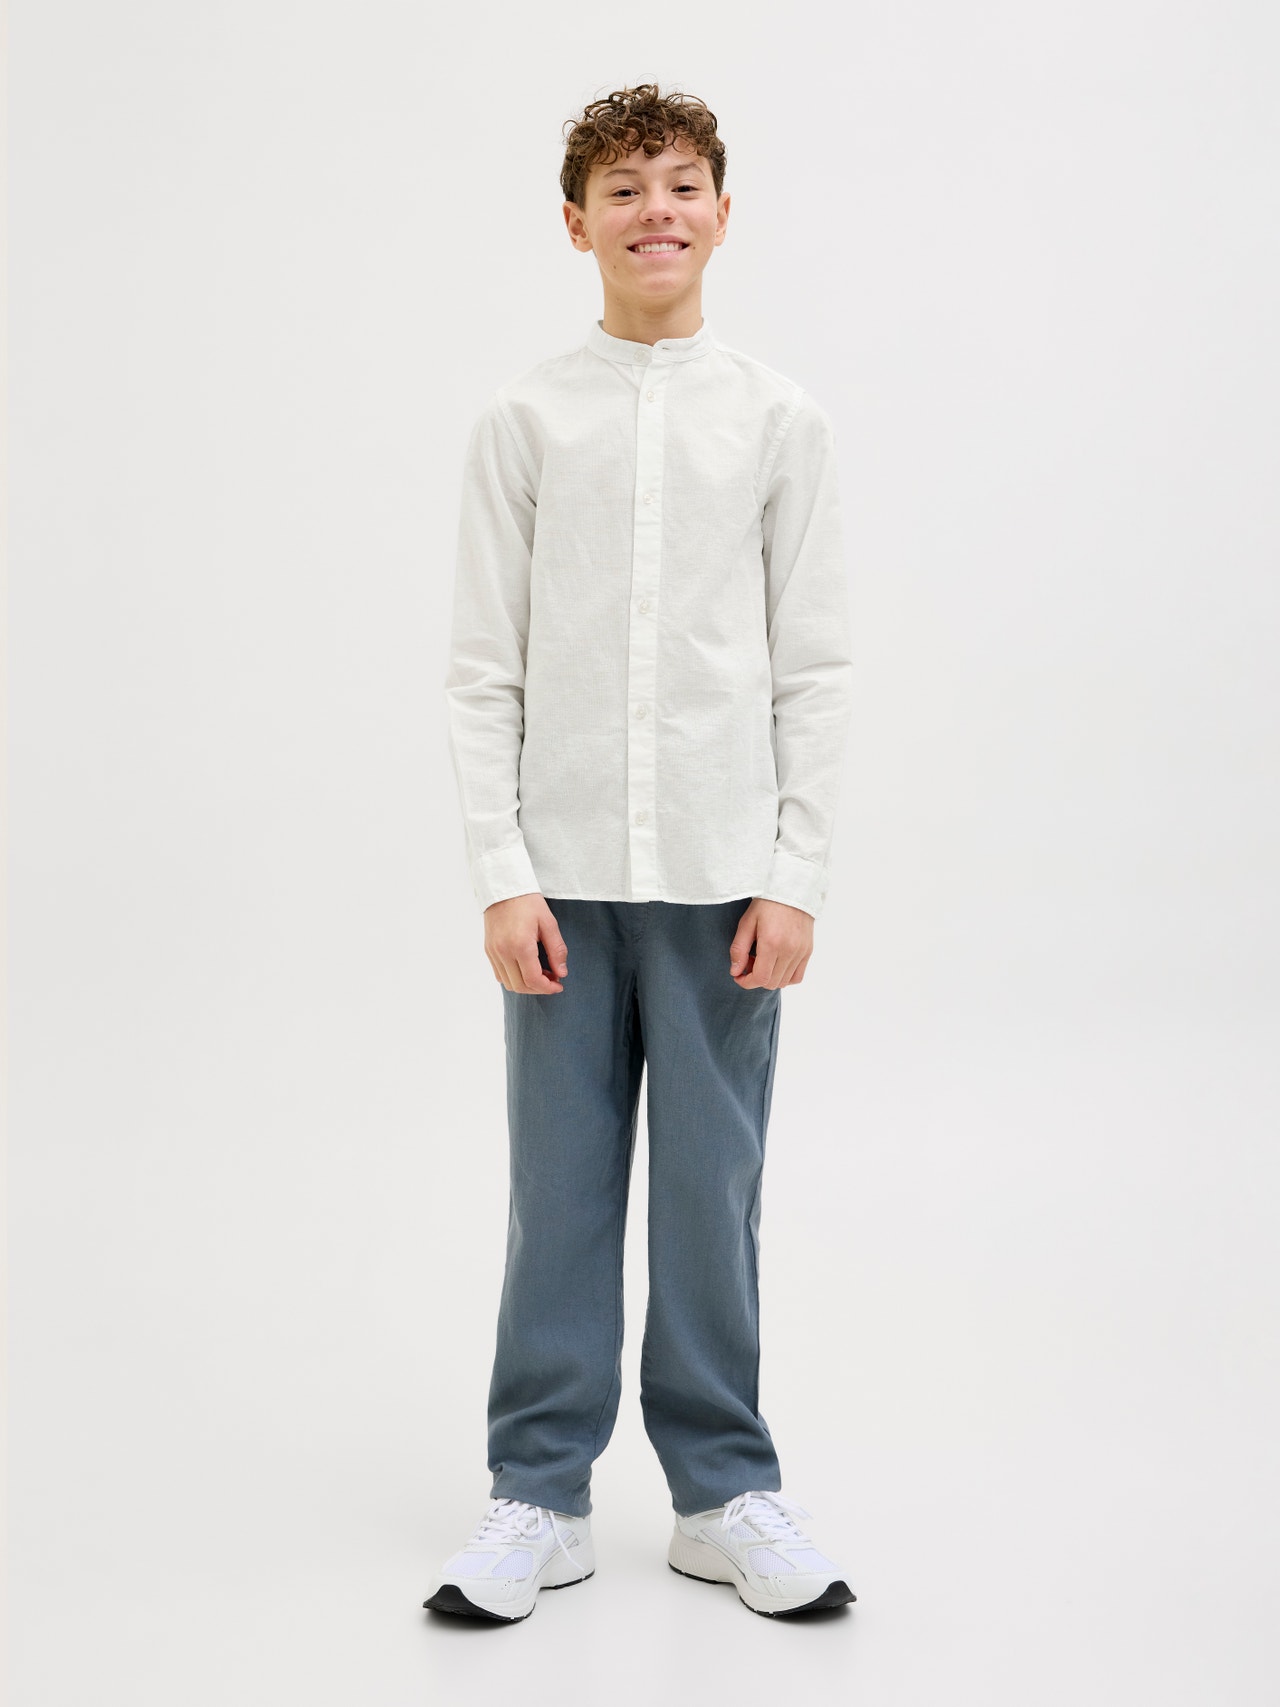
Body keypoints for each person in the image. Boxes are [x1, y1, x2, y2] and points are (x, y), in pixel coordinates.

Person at [423, 82, 857, 1623]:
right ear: (576, 224)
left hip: (727, 878)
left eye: (680, 185)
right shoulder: (527, 420)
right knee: (559, 1190)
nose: (654, 211)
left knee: (710, 1192)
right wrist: (501, 870)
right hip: (561, 883)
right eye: (623, 189)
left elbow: (815, 667)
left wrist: (797, 872)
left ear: (723, 214)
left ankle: (723, 1491)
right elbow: (483, 668)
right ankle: (538, 1495)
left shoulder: (780, 421)